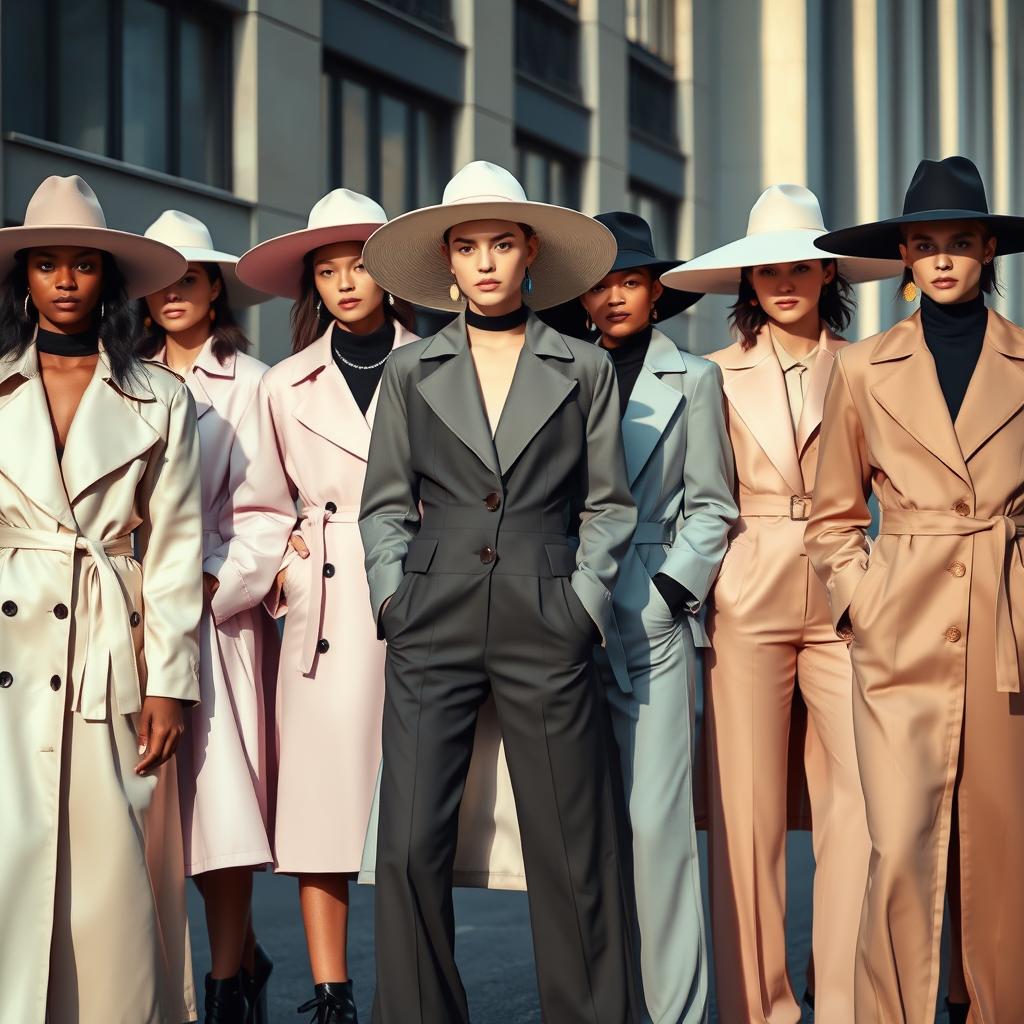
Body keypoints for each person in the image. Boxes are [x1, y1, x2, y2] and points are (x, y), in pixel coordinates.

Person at [359, 160, 639, 1024]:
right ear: (448, 261)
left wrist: (581, 606)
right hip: (431, 612)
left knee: (573, 848)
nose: (485, 262)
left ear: (531, 257)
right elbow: (381, 508)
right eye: (469, 246)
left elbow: (608, 505)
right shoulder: (408, 373)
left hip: (546, 609)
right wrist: (393, 601)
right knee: (407, 847)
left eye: (503, 244)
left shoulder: (584, 369)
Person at [662, 184, 900, 1023]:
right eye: (768, 269)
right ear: (747, 281)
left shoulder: (871, 365)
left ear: (826, 272)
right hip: (747, 587)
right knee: (745, 814)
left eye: (800, 265)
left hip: (848, 596)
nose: (784, 280)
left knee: (862, 808)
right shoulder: (709, 376)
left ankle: (843, 1003)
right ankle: (757, 1009)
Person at [807, 154, 1024, 1024]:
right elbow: (830, 517)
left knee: (999, 855)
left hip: (1005, 627)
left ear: (986, 254)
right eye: (925, 243)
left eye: (959, 242)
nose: (941, 259)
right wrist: (864, 599)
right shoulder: (861, 368)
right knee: (897, 846)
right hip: (899, 628)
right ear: (903, 255)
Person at [0, 175, 200, 1023]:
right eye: (47, 264)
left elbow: (176, 548)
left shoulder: (162, 398)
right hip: (9, 646)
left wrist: (169, 683)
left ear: (108, 280)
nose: (67, 280)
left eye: (84, 264)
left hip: (106, 653)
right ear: (25, 280)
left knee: (108, 866)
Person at [542, 210, 735, 1024]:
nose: (615, 296)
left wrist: (667, 596)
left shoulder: (694, 378)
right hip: (558, 616)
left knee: (657, 830)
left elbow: (714, 507)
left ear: (657, 291)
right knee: (578, 833)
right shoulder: (549, 371)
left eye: (630, 280)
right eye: (601, 282)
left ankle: (676, 1013)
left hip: (650, 621)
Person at [235, 189, 418, 1024]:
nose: (346, 282)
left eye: (360, 265)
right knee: (321, 805)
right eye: (329, 269)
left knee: (411, 805)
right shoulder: (285, 382)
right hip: (324, 608)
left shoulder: (435, 361)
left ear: (388, 273)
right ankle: (331, 992)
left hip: (416, 590)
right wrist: (285, 568)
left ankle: (414, 982)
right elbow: (262, 504)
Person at [139, 210, 293, 1024]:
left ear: (215, 289)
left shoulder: (255, 383)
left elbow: (266, 515)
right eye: (160, 279)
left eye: (189, 278)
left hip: (209, 620)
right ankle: (225, 966)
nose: (173, 293)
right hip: (124, 622)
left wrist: (203, 586)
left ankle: (229, 985)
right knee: (149, 814)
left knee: (220, 814)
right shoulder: (114, 376)